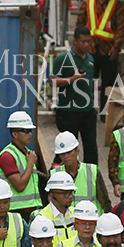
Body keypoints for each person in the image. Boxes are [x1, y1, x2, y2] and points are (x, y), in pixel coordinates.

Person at [75, 0, 124, 114]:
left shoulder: (116, 4)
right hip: (89, 50)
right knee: (88, 81)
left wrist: (116, 47)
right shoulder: (87, 2)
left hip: (109, 51)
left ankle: (105, 113)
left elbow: (121, 27)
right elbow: (80, 25)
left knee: (108, 84)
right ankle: (88, 110)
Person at [49, 27, 98, 165]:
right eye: (83, 41)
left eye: (89, 42)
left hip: (87, 111)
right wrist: (72, 79)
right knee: (66, 148)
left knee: (91, 148)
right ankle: (55, 176)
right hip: (68, 112)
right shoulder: (63, 59)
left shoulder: (90, 59)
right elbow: (52, 81)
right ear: (75, 41)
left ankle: (92, 178)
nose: (86, 45)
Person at [0, 111, 41, 219]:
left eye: (30, 130)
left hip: (33, 210)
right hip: (17, 212)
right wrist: (30, 164)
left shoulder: (27, 153)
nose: (30, 134)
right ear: (15, 134)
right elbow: (20, 186)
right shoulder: (7, 156)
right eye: (25, 131)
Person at [51, 131, 110, 212]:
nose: (66, 156)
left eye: (69, 152)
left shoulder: (92, 172)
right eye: (62, 153)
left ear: (77, 151)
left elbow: (105, 203)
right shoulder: (54, 175)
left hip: (91, 222)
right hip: (67, 223)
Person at [36, 172, 77, 246]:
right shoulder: (42, 218)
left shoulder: (76, 214)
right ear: (51, 196)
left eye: (71, 192)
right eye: (65, 193)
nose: (70, 196)